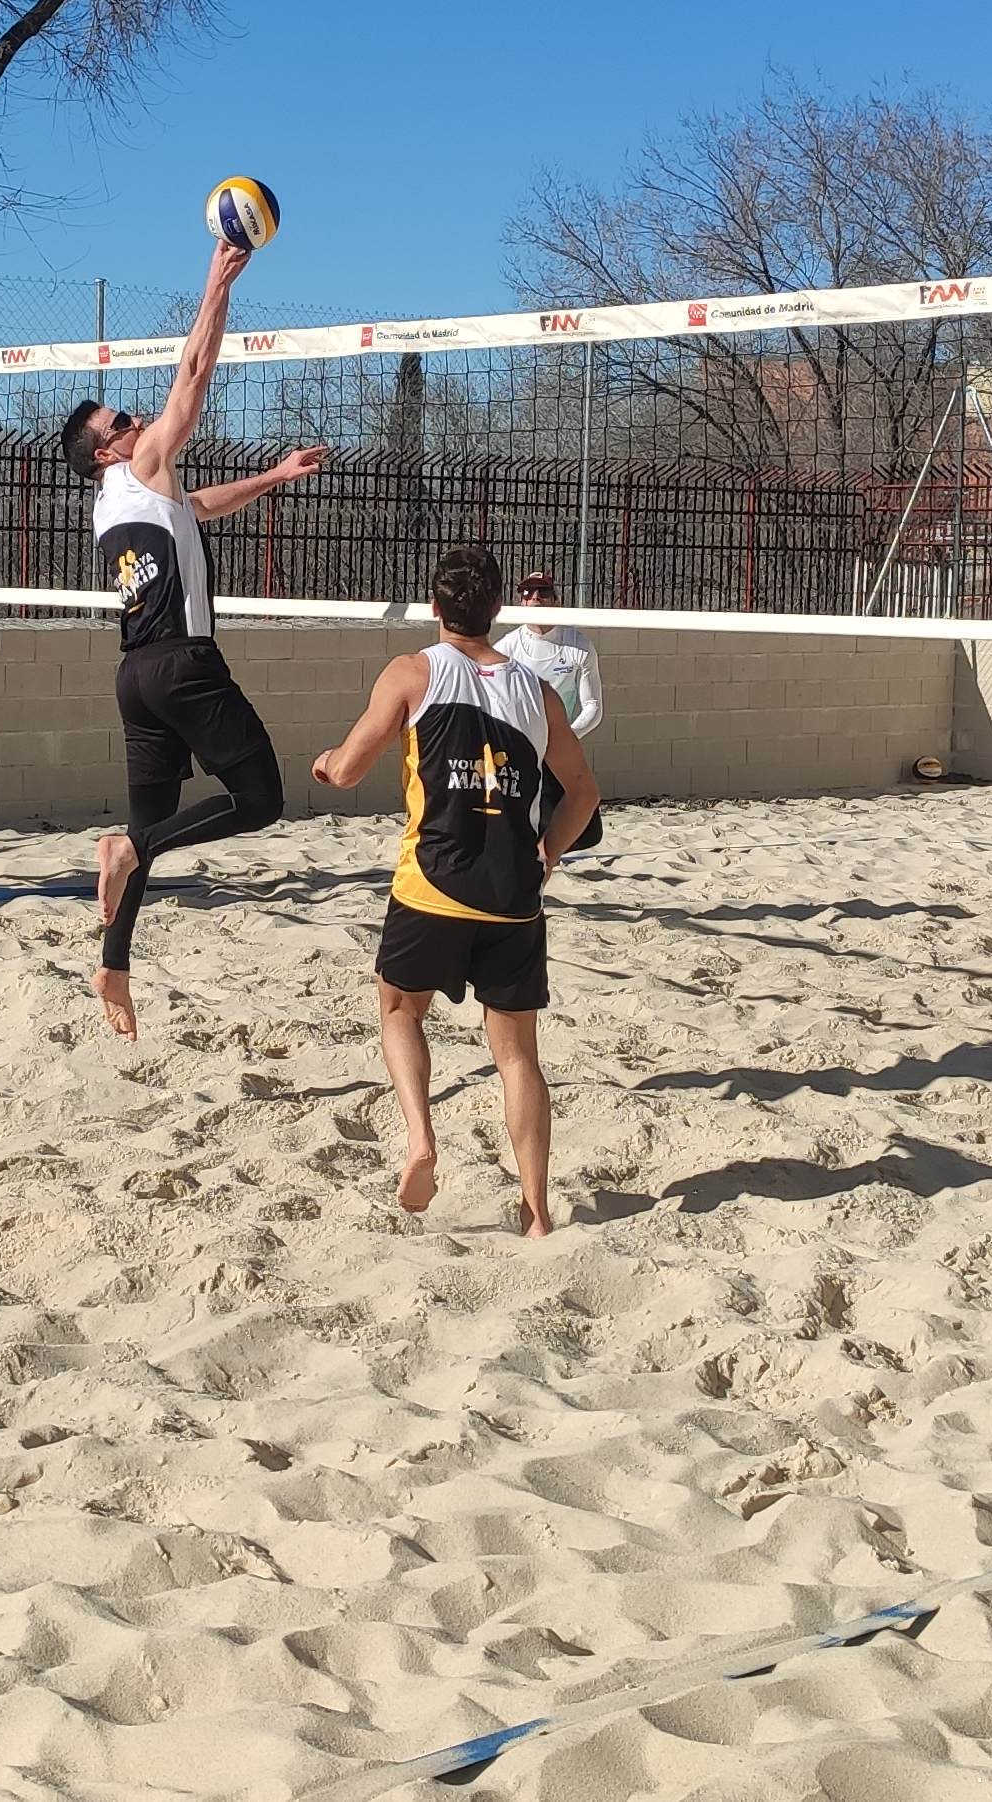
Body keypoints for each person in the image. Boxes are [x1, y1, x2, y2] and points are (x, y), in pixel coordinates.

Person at [57, 237, 328, 1038]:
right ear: (108, 448)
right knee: (260, 800)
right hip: (182, 664)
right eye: (122, 421)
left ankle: (113, 964)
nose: (138, 420)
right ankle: (130, 849)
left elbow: (201, 506)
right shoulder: (143, 460)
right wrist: (216, 283)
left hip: (135, 679)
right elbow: (194, 374)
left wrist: (274, 476)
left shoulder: (117, 499)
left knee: (147, 825)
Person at [312, 545, 599, 1237]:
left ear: (436, 607)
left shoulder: (413, 671)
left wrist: (323, 763)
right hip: (513, 893)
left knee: (399, 1009)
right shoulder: (538, 691)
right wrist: (549, 854)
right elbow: (584, 794)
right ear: (498, 610)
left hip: (434, 884)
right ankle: (536, 1213)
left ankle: (421, 1138)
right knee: (518, 1055)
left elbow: (347, 771)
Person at [499, 569, 605, 853]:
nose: (535, 597)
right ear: (520, 602)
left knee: (588, 831)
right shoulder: (507, 648)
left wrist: (565, 739)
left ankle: (543, 857)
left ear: (556, 599)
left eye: (543, 592)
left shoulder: (578, 645)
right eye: (527, 592)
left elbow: (593, 707)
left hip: (559, 748)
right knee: (519, 825)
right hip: (521, 750)